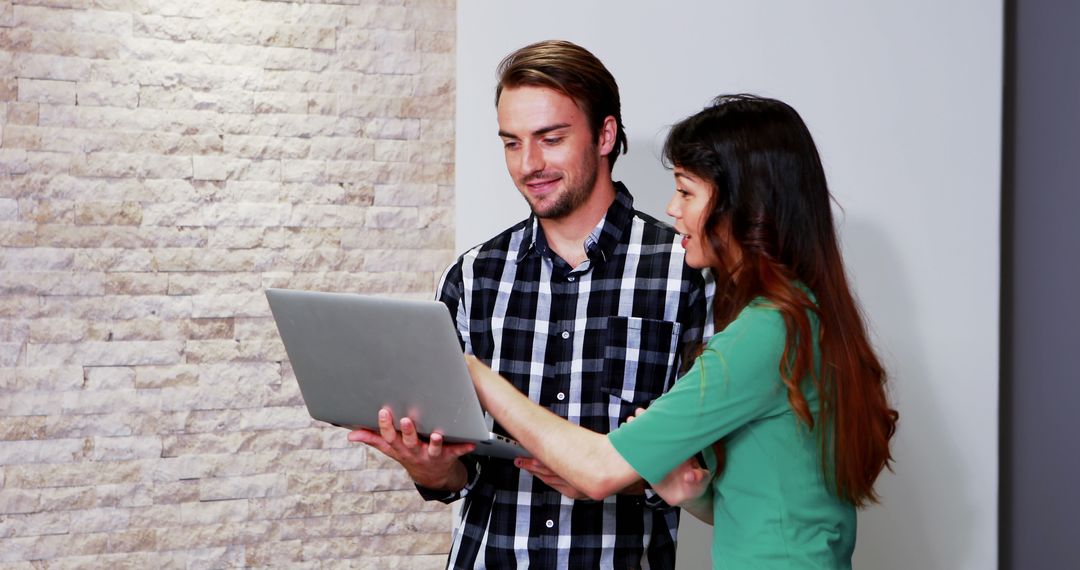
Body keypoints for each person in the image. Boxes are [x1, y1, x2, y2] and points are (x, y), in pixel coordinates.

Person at [467, 94, 900, 569]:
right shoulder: (803, 315)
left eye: (687, 191)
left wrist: (475, 374)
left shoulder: (767, 332)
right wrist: (684, 491)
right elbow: (772, 505)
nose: (672, 209)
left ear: (744, 205)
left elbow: (597, 470)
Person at [348, 40, 710, 568]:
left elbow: (709, 470)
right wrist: (427, 468)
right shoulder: (473, 276)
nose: (529, 164)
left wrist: (613, 479)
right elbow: (459, 471)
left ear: (605, 135)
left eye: (551, 138)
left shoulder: (686, 270)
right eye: (512, 143)